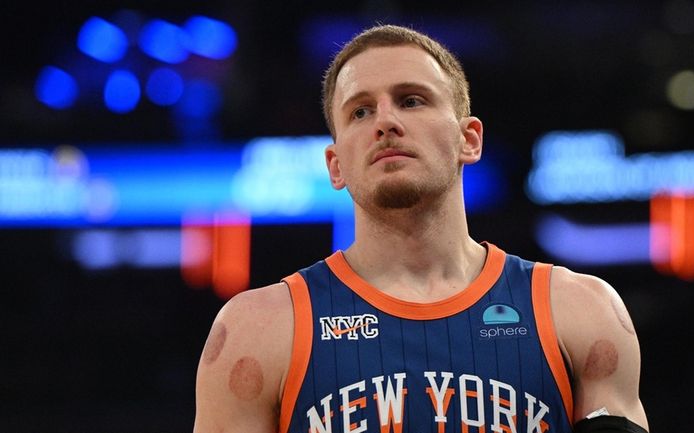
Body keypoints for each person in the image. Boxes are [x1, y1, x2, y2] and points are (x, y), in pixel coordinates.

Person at [193, 24, 649, 433]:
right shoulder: (258, 330)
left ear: (469, 139)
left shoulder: (580, 310)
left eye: (411, 100)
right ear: (335, 165)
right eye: (360, 112)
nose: (386, 122)